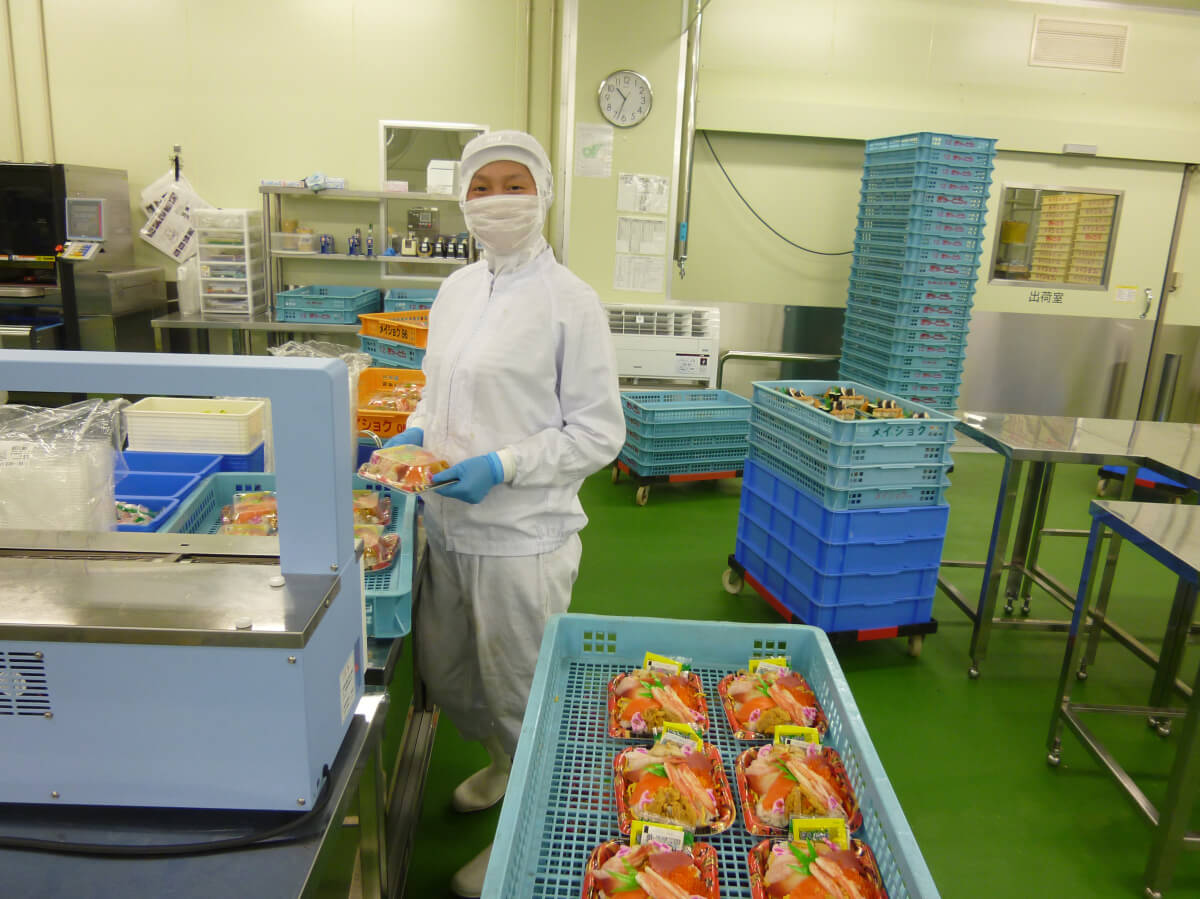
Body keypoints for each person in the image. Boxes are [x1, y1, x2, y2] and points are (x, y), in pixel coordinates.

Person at [386, 130, 626, 897]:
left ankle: (530, 826)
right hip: (446, 525)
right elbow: (437, 389)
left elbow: (597, 431)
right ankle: (500, 764)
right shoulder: (456, 290)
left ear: (542, 191)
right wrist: (414, 433)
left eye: (512, 184)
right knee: (454, 672)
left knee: (522, 690)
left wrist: (504, 465)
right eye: (481, 186)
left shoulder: (569, 302)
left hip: (523, 537)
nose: (496, 201)